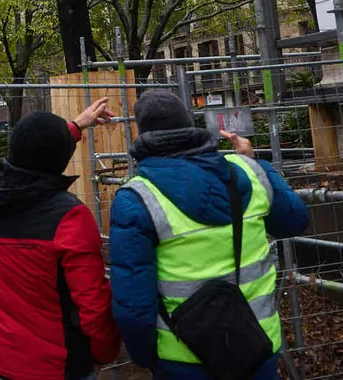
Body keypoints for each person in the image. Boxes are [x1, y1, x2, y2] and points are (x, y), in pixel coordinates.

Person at [110, 90, 309, 379]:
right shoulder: (250, 172)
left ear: (142, 134)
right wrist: (257, 163)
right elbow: (295, 220)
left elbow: (133, 303)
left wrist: (145, 357)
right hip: (256, 346)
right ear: (189, 124)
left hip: (183, 357)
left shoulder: (136, 198)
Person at [0, 97, 123, 380]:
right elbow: (93, 305)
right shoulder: (70, 218)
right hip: (57, 366)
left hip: (0, 358)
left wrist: (76, 127)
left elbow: (27, 156)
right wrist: (104, 353)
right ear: (60, 160)